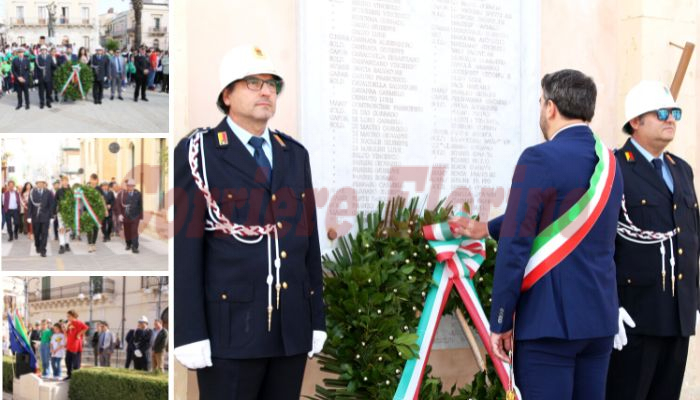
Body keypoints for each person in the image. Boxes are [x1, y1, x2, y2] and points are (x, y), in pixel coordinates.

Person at [452, 69, 623, 399]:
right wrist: (487, 228)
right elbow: (556, 212)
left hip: (549, 325)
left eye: (541, 102)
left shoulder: (539, 158)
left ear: (551, 108)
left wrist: (500, 320)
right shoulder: (611, 165)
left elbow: (517, 243)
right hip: (598, 321)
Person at [173, 45, 327, 400]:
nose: (266, 91)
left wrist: (315, 317)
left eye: (273, 84)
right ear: (227, 94)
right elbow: (186, 248)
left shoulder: (294, 154)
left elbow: (308, 243)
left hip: (290, 328)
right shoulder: (201, 152)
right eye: (253, 82)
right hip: (230, 333)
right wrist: (189, 331)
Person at [606, 81, 700, 400]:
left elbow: (691, 238)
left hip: (678, 316)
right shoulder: (616, 167)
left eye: (674, 112)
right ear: (635, 121)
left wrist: (694, 299)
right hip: (635, 317)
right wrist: (609, 305)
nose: (670, 119)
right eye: (661, 113)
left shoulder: (682, 170)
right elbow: (603, 244)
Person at [28, 178, 55, 257]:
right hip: (35, 216)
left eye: (41, 183)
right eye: (38, 183)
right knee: (36, 233)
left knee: (44, 234)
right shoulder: (32, 192)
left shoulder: (48, 192)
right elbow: (30, 205)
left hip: (45, 216)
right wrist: (29, 216)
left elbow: (51, 205)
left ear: (44, 184)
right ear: (36, 184)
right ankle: (37, 245)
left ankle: (43, 250)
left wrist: (51, 216)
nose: (40, 184)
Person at [64, 309, 88, 380]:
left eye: (68, 316)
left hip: (76, 346)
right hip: (69, 346)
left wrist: (79, 334)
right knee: (67, 361)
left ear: (73, 316)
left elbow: (86, 328)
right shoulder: (69, 324)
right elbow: (67, 335)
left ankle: (76, 377)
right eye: (67, 316)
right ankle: (69, 375)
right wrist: (64, 330)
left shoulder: (78, 322)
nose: (67, 318)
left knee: (76, 363)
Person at [121, 179, 143, 253]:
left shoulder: (138, 194)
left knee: (134, 231)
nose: (130, 187)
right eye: (129, 186)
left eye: (131, 186)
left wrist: (141, 216)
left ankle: (135, 247)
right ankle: (128, 244)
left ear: (134, 186)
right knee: (127, 231)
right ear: (127, 186)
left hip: (135, 216)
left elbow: (140, 205)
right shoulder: (123, 194)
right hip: (126, 216)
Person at [54, 175, 72, 254]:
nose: (65, 182)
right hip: (61, 212)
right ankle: (62, 245)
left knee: (67, 229)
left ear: (68, 182)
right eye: (63, 181)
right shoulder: (58, 191)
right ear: (61, 182)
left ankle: (67, 243)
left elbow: (74, 202)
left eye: (66, 181)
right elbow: (55, 201)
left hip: (69, 213)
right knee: (61, 228)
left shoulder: (71, 191)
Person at [35, 45, 56, 109]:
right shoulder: (37, 58)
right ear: (40, 51)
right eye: (42, 50)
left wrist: (56, 62)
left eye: (44, 50)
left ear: (46, 51)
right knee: (41, 91)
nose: (43, 51)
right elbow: (36, 69)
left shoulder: (49, 57)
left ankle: (48, 102)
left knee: (48, 91)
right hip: (40, 78)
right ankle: (42, 103)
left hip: (48, 77)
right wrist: (35, 78)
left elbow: (53, 66)